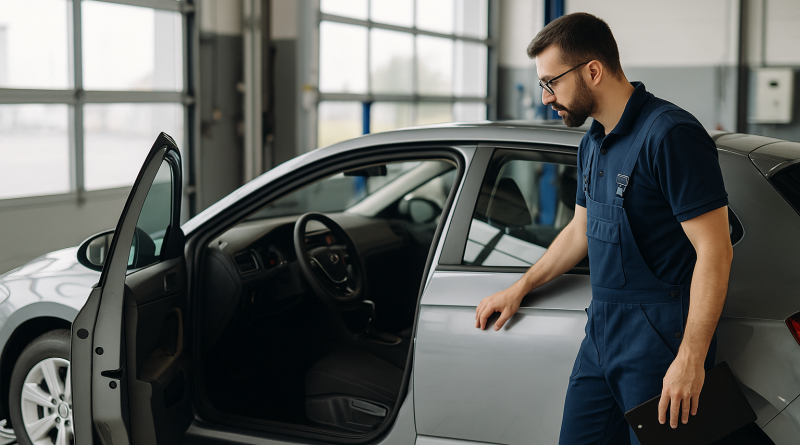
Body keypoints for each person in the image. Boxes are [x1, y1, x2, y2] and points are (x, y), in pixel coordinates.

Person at [473, 12, 733, 445]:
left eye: (551, 82)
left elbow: (715, 250)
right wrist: (521, 286)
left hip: (660, 342)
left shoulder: (670, 135)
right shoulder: (592, 142)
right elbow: (580, 231)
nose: (546, 98)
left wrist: (691, 357)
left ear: (592, 71)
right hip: (602, 334)